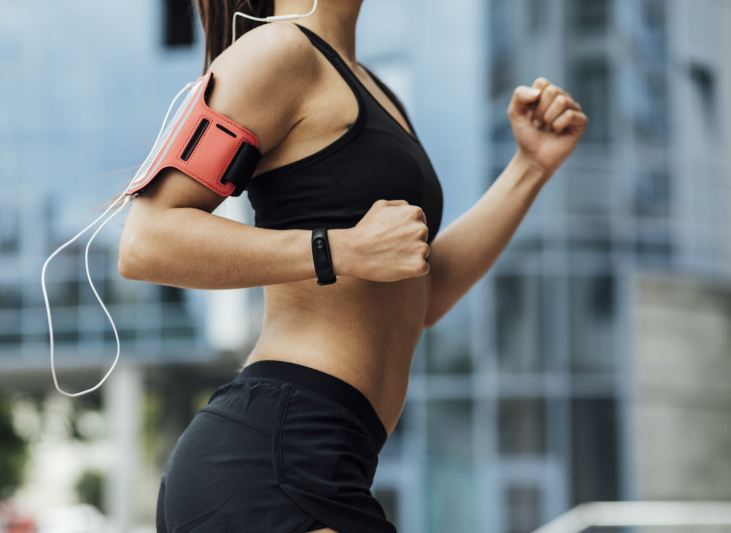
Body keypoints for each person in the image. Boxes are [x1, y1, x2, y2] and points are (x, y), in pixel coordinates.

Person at [118, 1, 588, 531]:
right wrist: (339, 249)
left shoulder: (372, 87)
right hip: (272, 455)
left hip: (333, 456)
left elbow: (422, 294)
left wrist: (529, 168)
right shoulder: (276, 52)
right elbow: (147, 240)